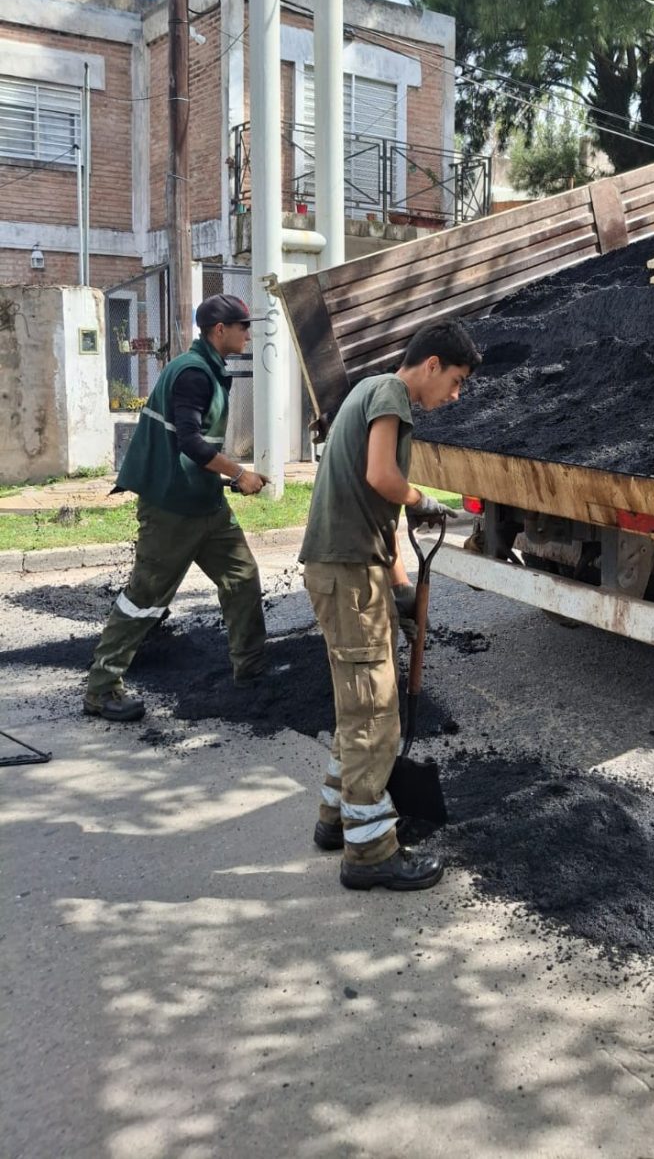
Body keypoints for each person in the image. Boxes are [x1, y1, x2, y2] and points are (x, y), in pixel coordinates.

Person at [300, 319, 481, 893]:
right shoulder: (390, 394)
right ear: (430, 365)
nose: (454, 396)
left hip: (354, 570)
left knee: (357, 708)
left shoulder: (369, 393)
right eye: (454, 381)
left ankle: (336, 819)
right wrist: (425, 498)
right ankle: (370, 852)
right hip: (347, 576)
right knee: (376, 716)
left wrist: (401, 591)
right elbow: (384, 479)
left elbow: (382, 520)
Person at [82, 294, 269, 723]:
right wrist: (240, 474)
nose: (247, 332)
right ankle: (101, 689)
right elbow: (190, 442)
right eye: (242, 326)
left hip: (203, 501)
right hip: (170, 507)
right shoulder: (192, 373)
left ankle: (252, 670)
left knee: (241, 577)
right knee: (145, 598)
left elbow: (194, 445)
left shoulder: (207, 368)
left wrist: (224, 479)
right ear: (219, 330)